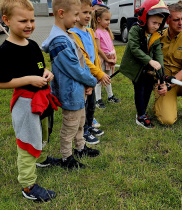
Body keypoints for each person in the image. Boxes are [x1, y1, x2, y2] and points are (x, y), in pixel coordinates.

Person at [0, 0, 61, 202]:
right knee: (27, 141)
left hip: (41, 100)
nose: (30, 25)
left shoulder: (32, 44)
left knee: (41, 133)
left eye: (32, 20)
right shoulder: (6, 50)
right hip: (24, 104)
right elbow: (1, 82)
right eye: (23, 20)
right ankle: (28, 185)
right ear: (6, 20)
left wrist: (46, 73)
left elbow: (40, 68)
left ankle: (40, 159)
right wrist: (29, 80)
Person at [42, 0, 100, 170]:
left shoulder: (67, 34)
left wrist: (87, 84)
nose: (77, 19)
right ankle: (67, 158)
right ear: (61, 13)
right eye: (75, 14)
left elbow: (82, 62)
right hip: (70, 92)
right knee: (70, 126)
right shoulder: (59, 41)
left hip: (78, 90)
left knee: (80, 122)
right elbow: (74, 68)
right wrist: (91, 81)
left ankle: (80, 148)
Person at [119, 0, 170, 129]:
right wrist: (149, 61)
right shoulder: (135, 30)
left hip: (148, 69)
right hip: (136, 68)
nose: (156, 26)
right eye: (154, 22)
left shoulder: (156, 35)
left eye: (159, 23)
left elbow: (158, 55)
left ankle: (143, 112)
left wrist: (161, 75)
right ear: (145, 18)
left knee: (148, 88)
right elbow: (134, 48)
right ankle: (140, 116)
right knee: (139, 88)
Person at [69, 0, 111, 144]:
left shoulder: (90, 31)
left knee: (92, 104)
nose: (88, 16)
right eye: (84, 13)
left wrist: (98, 71)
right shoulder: (73, 34)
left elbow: (94, 54)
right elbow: (84, 59)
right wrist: (99, 74)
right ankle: (84, 131)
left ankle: (89, 125)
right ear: (75, 13)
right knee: (84, 106)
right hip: (82, 77)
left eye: (89, 12)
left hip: (92, 75)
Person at [91, 7, 121, 109]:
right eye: (106, 19)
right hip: (102, 59)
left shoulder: (107, 31)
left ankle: (110, 96)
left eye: (109, 19)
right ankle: (98, 100)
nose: (109, 22)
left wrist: (114, 56)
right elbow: (98, 49)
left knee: (108, 78)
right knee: (99, 79)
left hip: (109, 58)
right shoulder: (96, 32)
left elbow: (112, 46)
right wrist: (107, 59)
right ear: (99, 19)